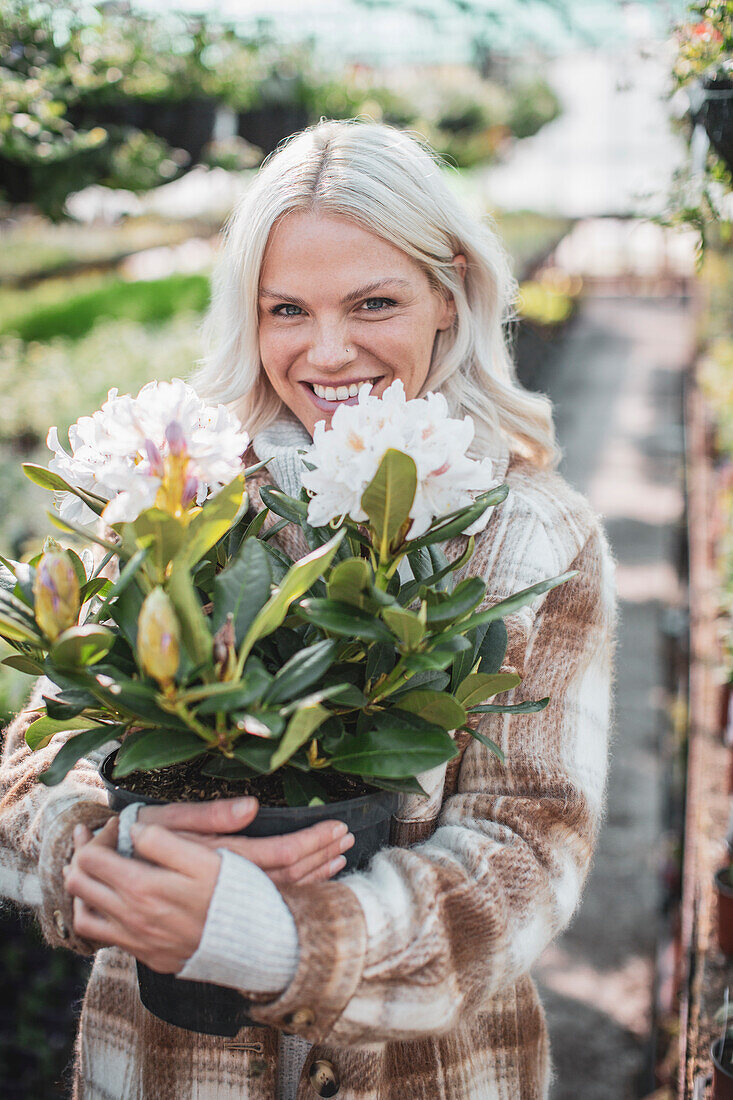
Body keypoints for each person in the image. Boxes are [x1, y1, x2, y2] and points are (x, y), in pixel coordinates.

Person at [0, 118, 618, 1099]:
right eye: (285, 308)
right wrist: (113, 859)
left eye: (373, 301)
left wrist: (274, 933)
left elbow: (528, 853)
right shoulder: (179, 494)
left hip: (424, 1069)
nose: (327, 352)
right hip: (166, 1068)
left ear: (449, 292)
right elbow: (31, 770)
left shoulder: (531, 533)